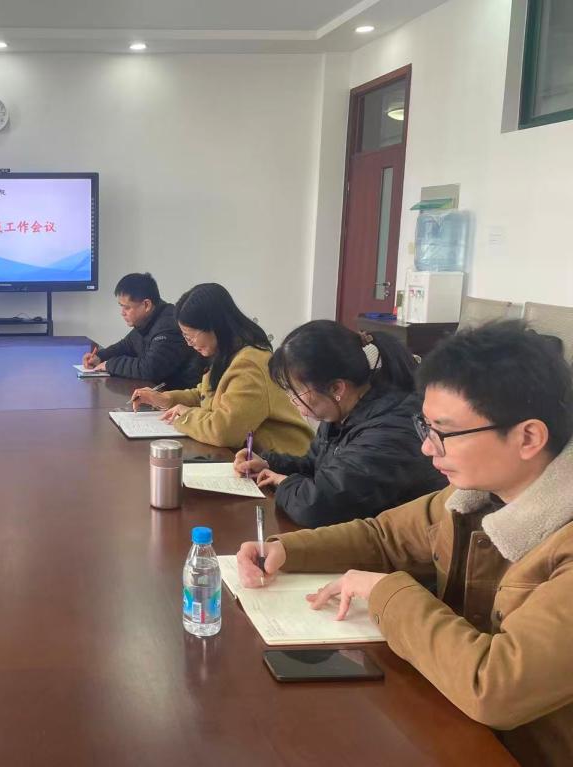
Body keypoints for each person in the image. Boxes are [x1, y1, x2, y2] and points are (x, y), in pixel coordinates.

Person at [236, 320, 573, 767]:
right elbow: (384, 535)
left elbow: (496, 686)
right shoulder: (470, 496)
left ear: (528, 437)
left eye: (444, 433)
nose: (428, 450)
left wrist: (386, 592)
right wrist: (288, 550)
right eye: (425, 428)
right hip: (450, 721)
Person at [232, 320, 447, 527]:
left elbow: (318, 507)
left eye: (296, 392)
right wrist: (269, 464)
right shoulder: (341, 411)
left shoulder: (391, 429)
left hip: (397, 545)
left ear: (336, 388)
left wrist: (282, 482)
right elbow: (316, 465)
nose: (292, 401)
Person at [131, 283, 311, 453]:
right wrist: (165, 399)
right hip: (252, 458)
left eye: (190, 336)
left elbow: (225, 432)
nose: (189, 343)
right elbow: (205, 395)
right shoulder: (225, 354)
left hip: (285, 464)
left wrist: (185, 415)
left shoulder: (250, 364)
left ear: (214, 327)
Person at [81, 272, 202, 389]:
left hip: (179, 396)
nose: (122, 313)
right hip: (157, 392)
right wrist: (100, 356)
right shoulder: (148, 320)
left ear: (146, 305)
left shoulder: (168, 326)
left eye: (127, 307)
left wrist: (109, 365)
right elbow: (127, 345)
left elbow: (150, 369)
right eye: (121, 306)